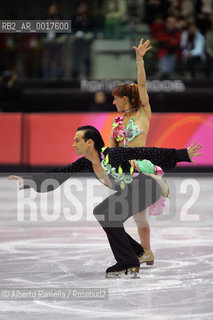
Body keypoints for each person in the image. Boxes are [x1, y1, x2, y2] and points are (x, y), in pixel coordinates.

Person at [9, 126, 202, 277]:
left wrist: (182, 155)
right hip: (133, 190)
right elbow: (59, 175)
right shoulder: (87, 162)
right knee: (103, 212)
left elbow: (148, 152)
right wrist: (28, 181)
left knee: (108, 213)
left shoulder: (114, 154)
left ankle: (128, 261)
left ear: (90, 142)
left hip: (147, 186)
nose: (73, 144)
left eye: (77, 140)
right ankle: (137, 252)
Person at [110, 38, 162, 266]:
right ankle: (144, 252)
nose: (113, 102)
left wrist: (139, 59)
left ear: (124, 99)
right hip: (123, 172)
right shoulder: (117, 120)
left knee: (139, 215)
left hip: (141, 170)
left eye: (115, 98)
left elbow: (142, 86)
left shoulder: (143, 112)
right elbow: (113, 148)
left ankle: (146, 251)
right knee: (128, 215)